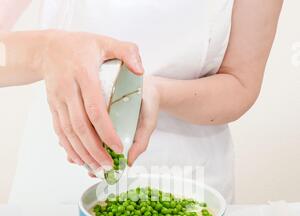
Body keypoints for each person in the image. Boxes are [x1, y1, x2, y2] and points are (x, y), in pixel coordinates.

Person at [0, 0, 283, 203]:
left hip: (186, 188)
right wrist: (43, 52)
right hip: (52, 185)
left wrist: (157, 93)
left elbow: (240, 83)